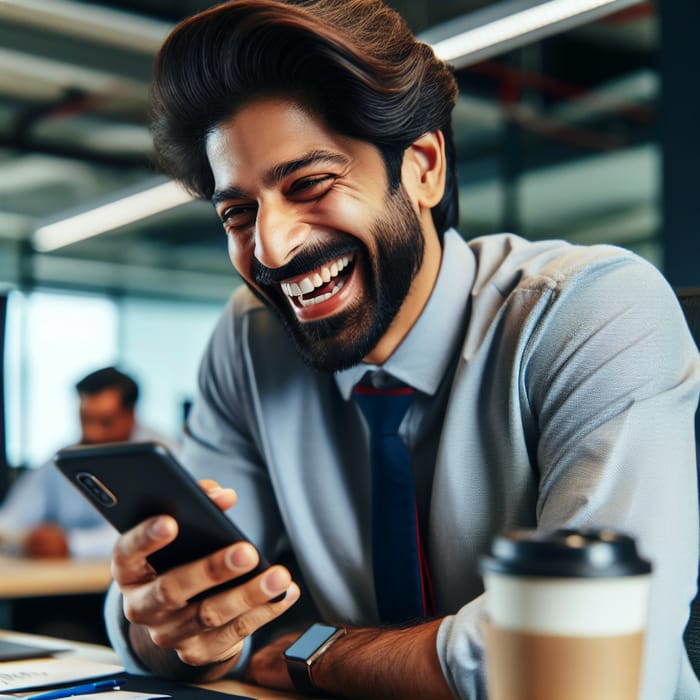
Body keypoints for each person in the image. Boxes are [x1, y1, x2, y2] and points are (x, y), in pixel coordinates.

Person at [103, 1, 700, 698]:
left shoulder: (593, 309)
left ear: (422, 167)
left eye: (310, 184)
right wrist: (167, 626)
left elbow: (594, 664)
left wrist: (307, 654)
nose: (270, 246)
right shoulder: (249, 340)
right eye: (238, 213)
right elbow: (191, 611)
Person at [0, 366, 176, 559]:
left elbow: (157, 529)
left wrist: (70, 543)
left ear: (131, 415)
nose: (92, 433)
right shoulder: (64, 457)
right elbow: (12, 518)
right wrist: (20, 536)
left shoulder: (164, 457)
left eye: (105, 422)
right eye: (85, 420)